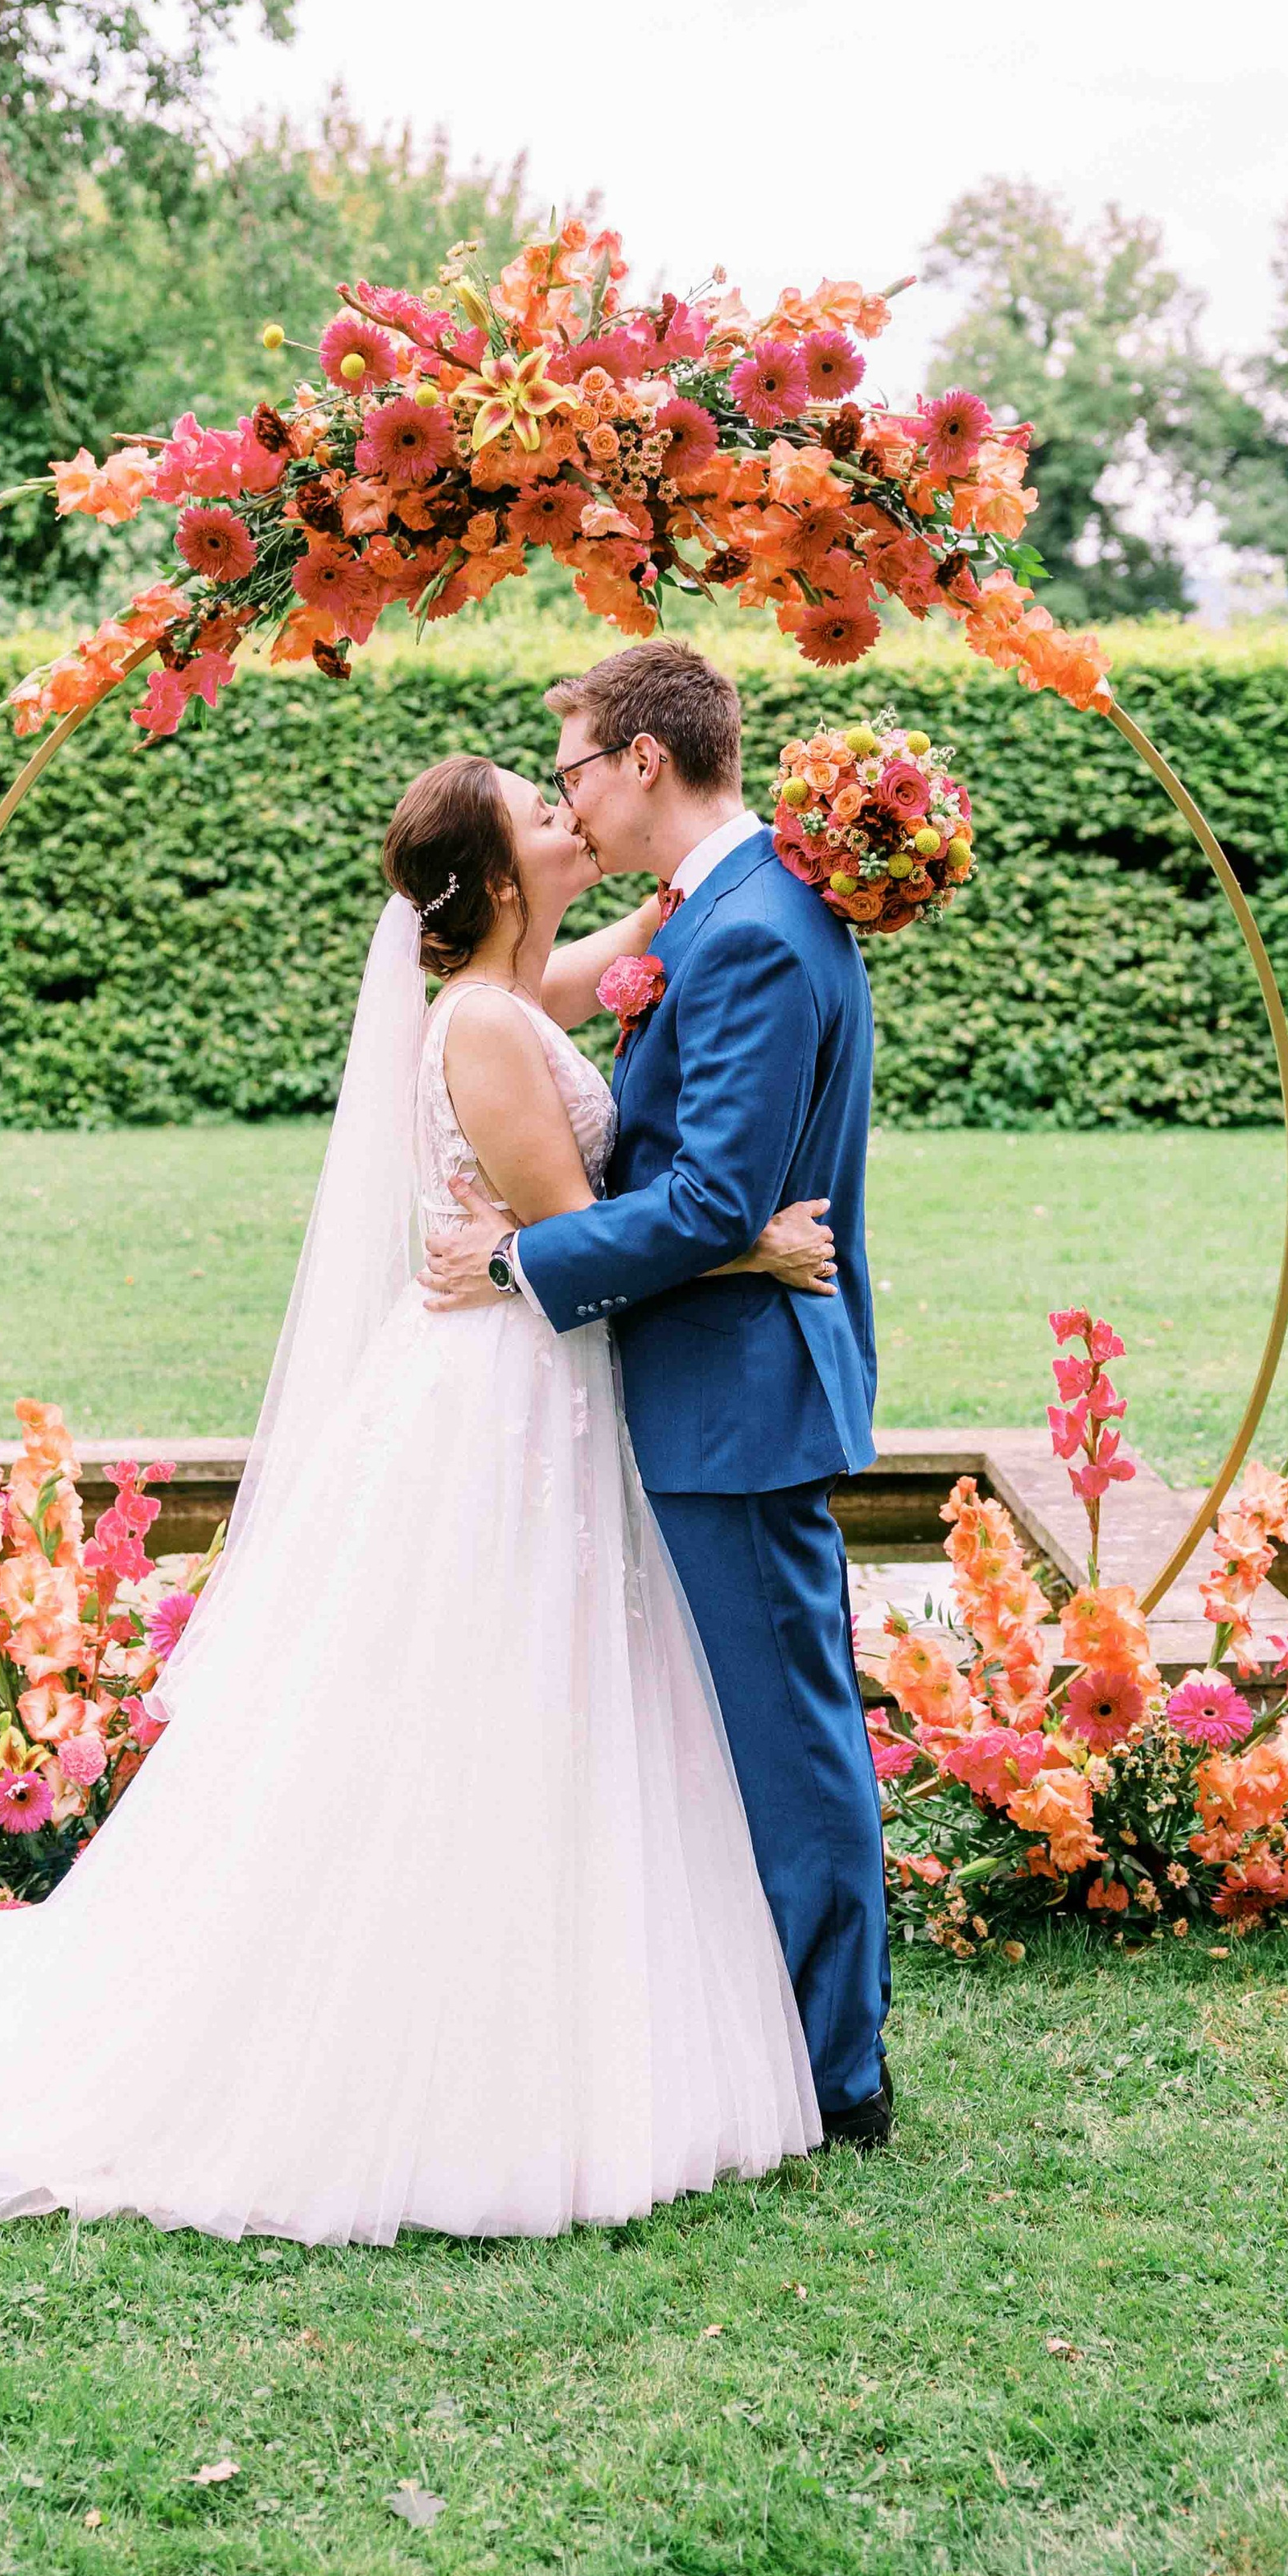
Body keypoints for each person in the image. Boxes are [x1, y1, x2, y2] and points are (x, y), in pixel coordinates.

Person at [0, 751, 841, 2243]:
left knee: (542, 1703)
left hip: (529, 1382)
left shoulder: (523, 989)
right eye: (542, 812)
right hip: (502, 1397)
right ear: (492, 879)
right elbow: (580, 1237)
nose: (567, 814)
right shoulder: (480, 1024)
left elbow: (656, 943)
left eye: (570, 788)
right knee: (474, 1712)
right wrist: (752, 1247)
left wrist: (778, 856)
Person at [422, 642, 892, 2148]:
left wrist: (515, 1262)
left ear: (640, 759)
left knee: (788, 1736)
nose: (565, 796)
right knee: (733, 1729)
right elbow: (697, 1185)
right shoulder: (716, 911)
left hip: (735, 1398)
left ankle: (838, 2075)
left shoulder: (751, 928)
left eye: (570, 768)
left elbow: (706, 1196)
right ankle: (769, 2036)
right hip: (703, 1379)